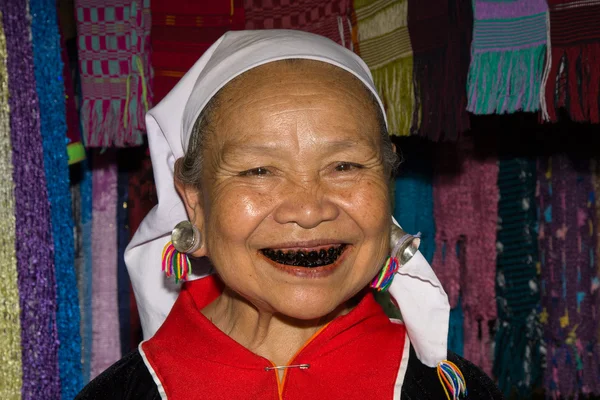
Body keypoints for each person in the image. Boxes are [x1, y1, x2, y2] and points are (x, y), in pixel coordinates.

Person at [76, 30, 502, 399]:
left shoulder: (451, 391)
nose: (310, 209)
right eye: (259, 171)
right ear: (195, 204)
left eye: (345, 166)